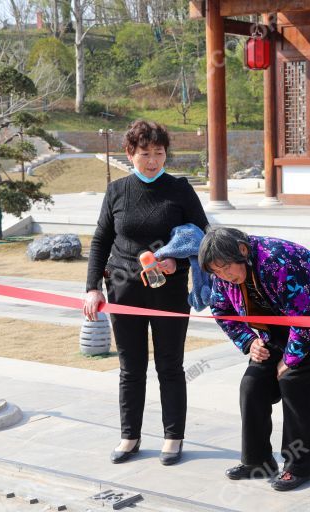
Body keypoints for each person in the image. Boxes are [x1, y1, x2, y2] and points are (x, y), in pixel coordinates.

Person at [83, 120, 209, 466]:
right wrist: (92, 287)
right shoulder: (117, 191)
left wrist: (175, 263)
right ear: (130, 154)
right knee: (130, 367)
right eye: (145, 154)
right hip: (123, 290)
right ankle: (130, 436)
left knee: (170, 366)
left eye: (159, 153)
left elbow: (203, 236)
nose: (153, 160)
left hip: (168, 291)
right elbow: (100, 241)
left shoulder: (180, 190)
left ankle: (173, 437)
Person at [200, 227, 310, 492]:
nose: (223, 276)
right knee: (252, 386)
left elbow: (305, 316)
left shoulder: (277, 260)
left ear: (242, 251)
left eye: (225, 268)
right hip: (278, 330)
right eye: (216, 272)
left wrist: (289, 360)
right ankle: (257, 461)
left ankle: (298, 465)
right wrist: (248, 341)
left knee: (295, 383)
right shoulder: (224, 273)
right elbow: (221, 308)